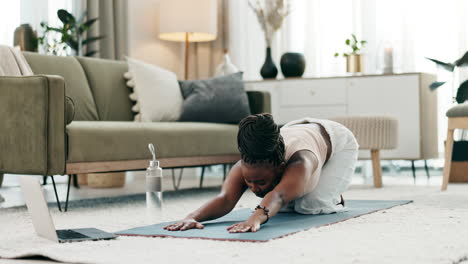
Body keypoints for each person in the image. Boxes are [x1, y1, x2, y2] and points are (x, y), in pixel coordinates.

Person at [164, 113, 359, 233]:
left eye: (261, 182)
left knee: (310, 205)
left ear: (281, 167)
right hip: (296, 129)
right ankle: (300, 186)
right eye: (249, 182)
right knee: (281, 207)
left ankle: (334, 196)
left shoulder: (301, 161)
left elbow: (279, 195)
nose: (254, 189)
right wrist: (192, 217)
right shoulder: (247, 163)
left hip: (336, 141)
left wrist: (257, 216)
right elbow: (225, 198)